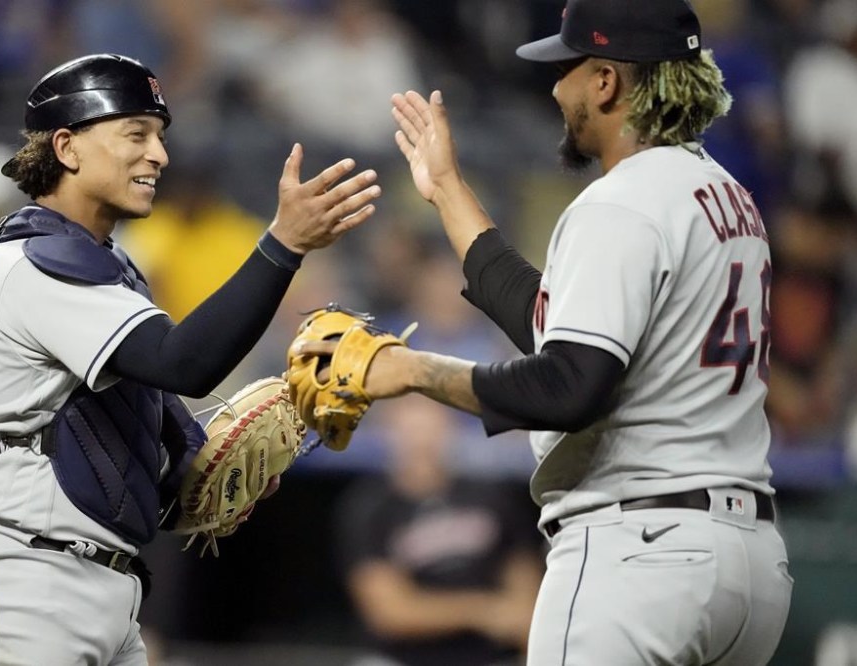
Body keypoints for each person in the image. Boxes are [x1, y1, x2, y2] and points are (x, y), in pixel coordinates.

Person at [300, 1, 794, 663]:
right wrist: (447, 190)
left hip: (639, 553)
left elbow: (567, 385)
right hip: (748, 566)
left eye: (567, 68)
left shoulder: (621, 202)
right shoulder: (728, 198)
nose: (556, 88)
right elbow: (558, 328)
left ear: (605, 82)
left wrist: (414, 370)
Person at [0, 53, 381, 665]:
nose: (159, 154)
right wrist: (283, 245)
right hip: (17, 578)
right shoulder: (33, 262)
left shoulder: (111, 272)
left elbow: (154, 444)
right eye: (136, 134)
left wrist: (223, 454)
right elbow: (183, 362)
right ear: (68, 147)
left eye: (159, 136)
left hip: (94, 587)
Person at [336, 397, 542, 666]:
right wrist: (481, 610)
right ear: (389, 431)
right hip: (404, 659)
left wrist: (512, 619)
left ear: (450, 426)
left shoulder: (492, 497)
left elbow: (526, 596)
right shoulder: (368, 508)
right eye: (410, 425)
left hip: (488, 656)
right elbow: (390, 613)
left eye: (430, 421)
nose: (421, 435)